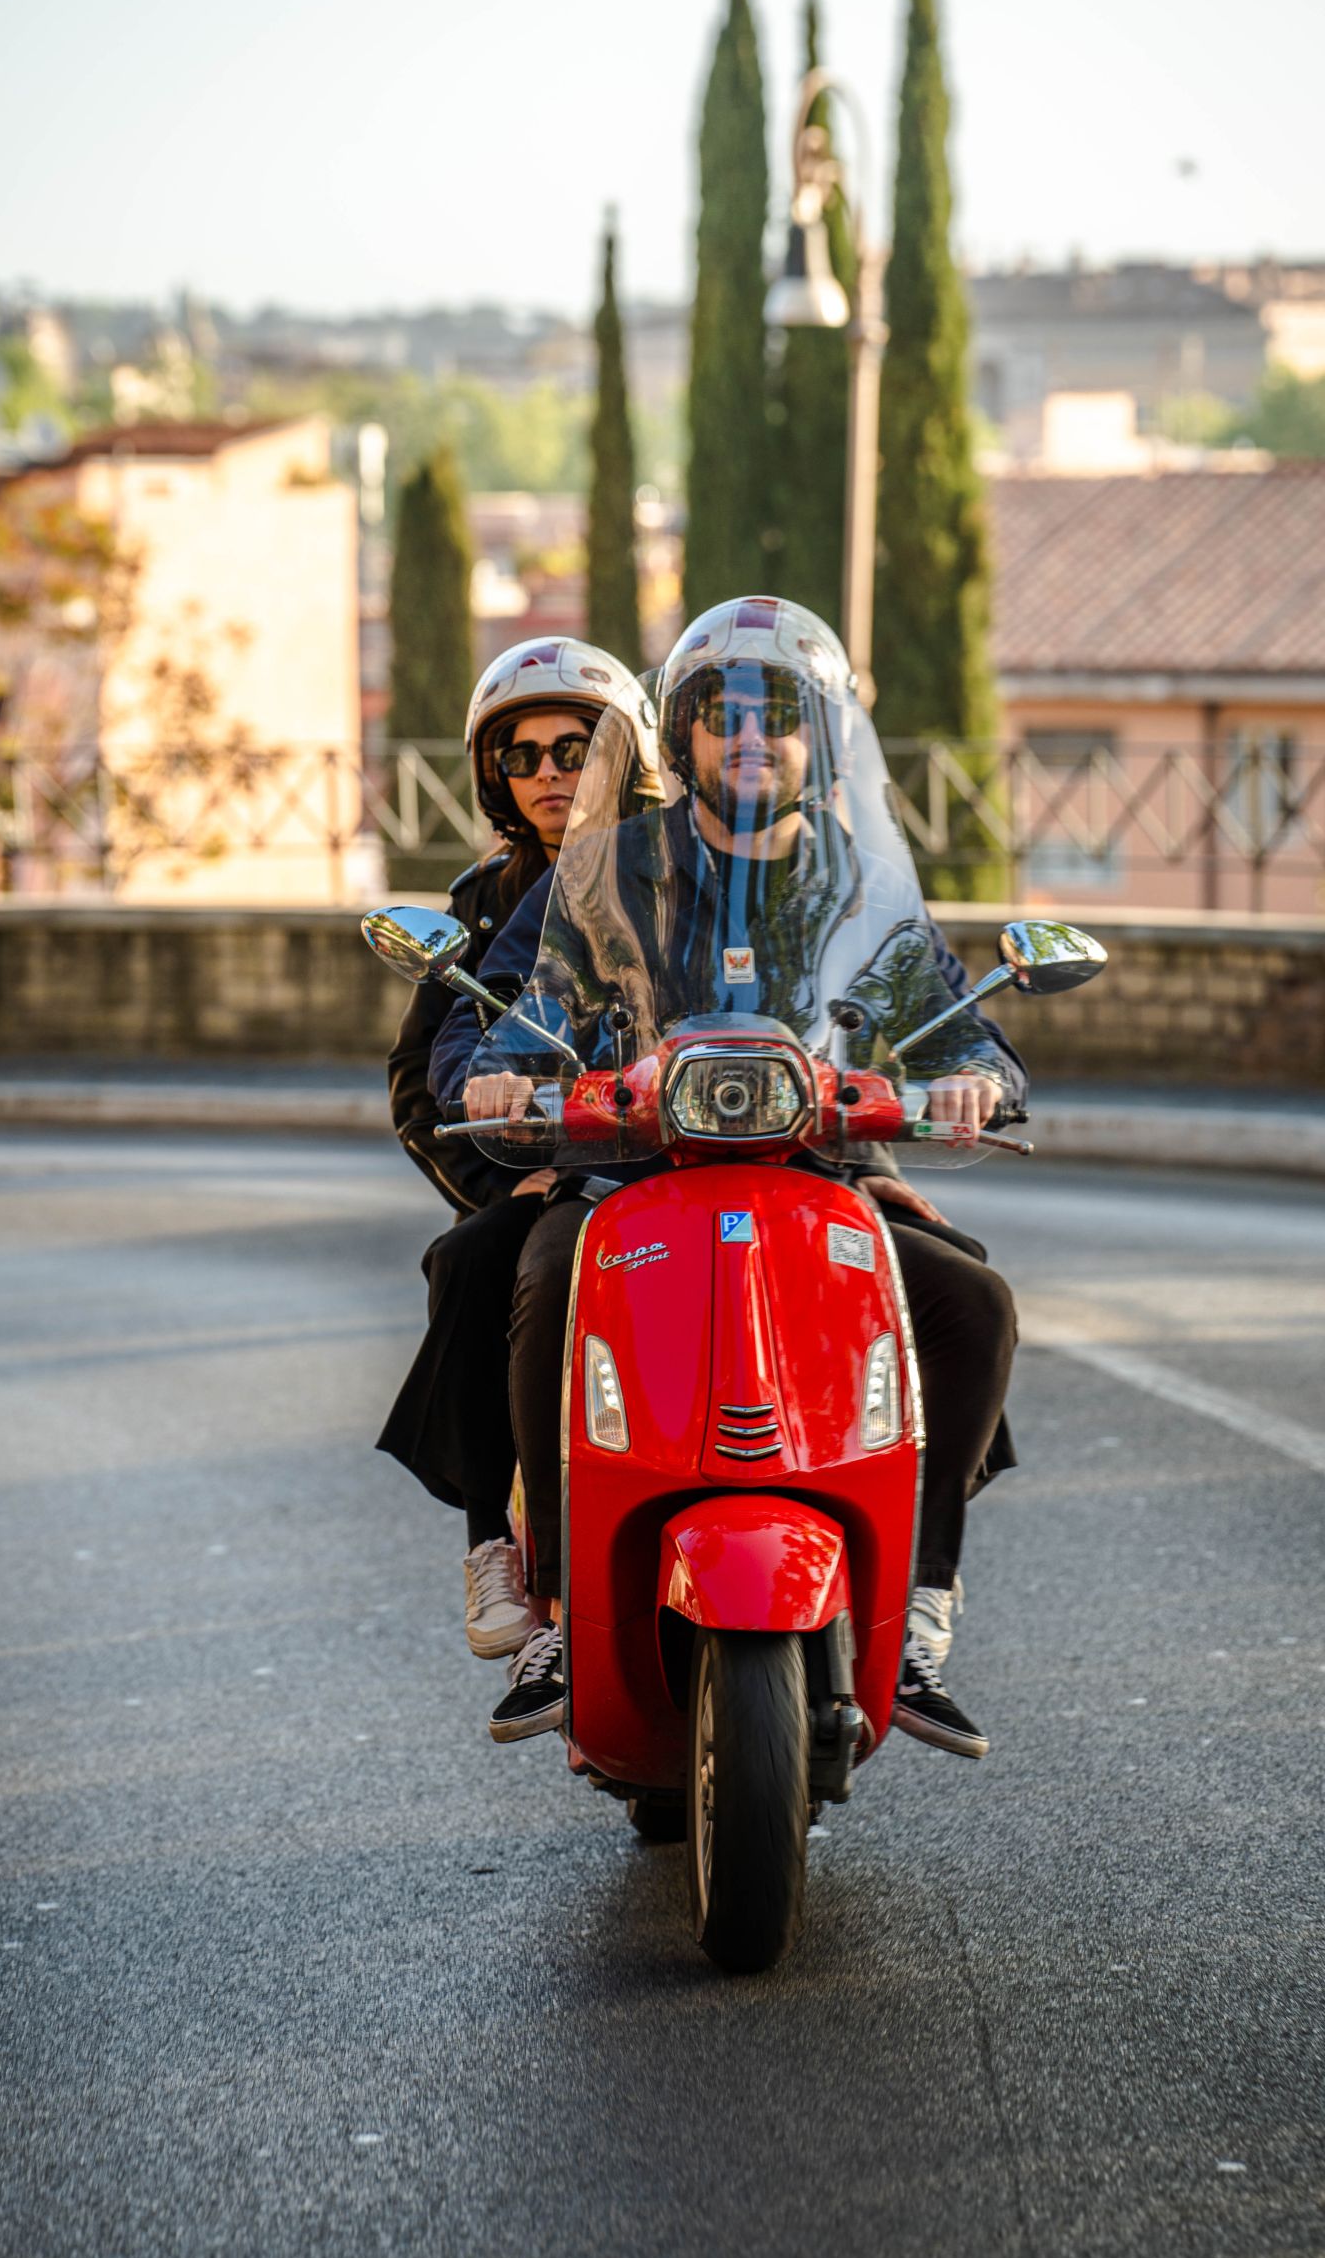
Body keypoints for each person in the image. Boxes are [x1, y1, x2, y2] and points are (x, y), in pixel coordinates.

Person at [433, 597, 1025, 1752]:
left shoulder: (859, 884)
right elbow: (518, 1002)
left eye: (779, 715)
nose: (751, 737)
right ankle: (555, 1603)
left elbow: (960, 1025)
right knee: (543, 1280)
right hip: (629, 1180)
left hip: (817, 1177)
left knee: (972, 1305)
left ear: (821, 738)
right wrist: (498, 1073)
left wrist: (973, 1078)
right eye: (721, 714)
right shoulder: (607, 870)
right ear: (682, 733)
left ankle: (917, 1601)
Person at [375, 636, 659, 1661]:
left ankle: (914, 1563)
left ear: (624, 754)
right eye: (522, 756)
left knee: (917, 1266)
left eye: (573, 749)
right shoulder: (486, 899)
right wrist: (503, 1177)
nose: (548, 773)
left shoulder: (682, 874)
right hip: (541, 1175)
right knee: (472, 1259)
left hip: (685, 1161)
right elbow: (423, 1078)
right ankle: (495, 1542)